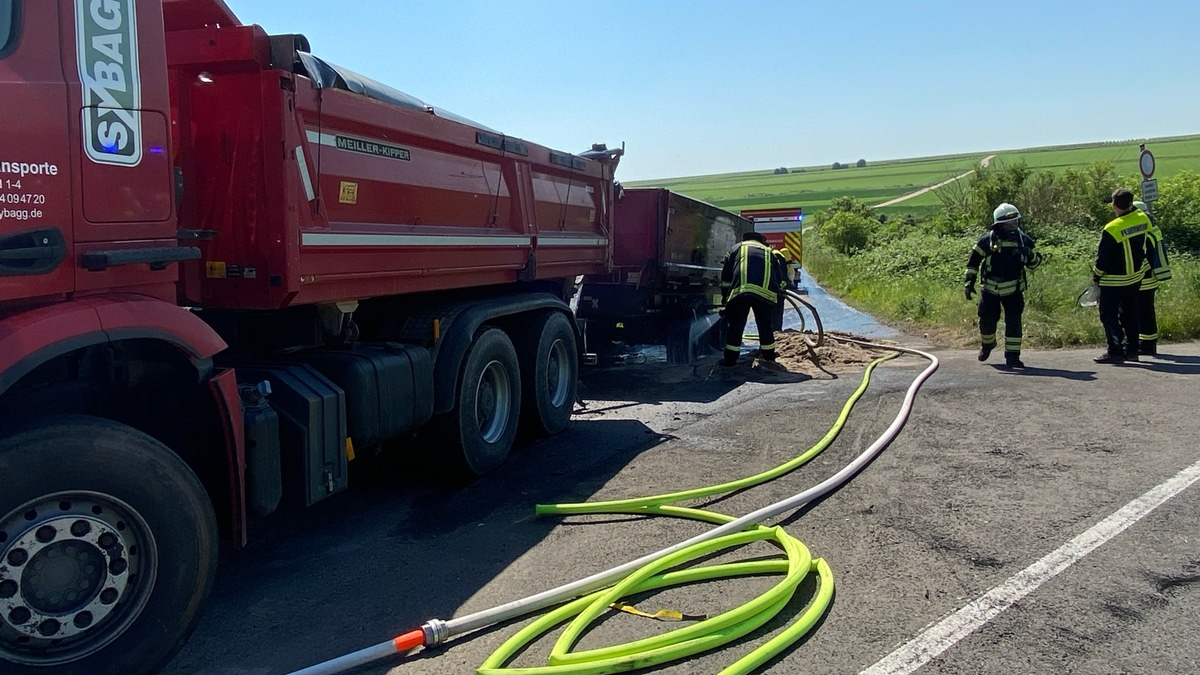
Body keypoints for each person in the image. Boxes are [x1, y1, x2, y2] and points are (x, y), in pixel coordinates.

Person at [963, 202, 1043, 369]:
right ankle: (988, 344)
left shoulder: (1025, 241)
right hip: (990, 289)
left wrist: (1029, 254)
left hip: (1013, 289)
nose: (1013, 226)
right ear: (999, 224)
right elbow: (973, 262)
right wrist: (969, 283)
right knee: (987, 320)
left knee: (1014, 322)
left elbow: (1034, 264)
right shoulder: (987, 240)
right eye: (1008, 223)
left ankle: (1013, 357)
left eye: (1015, 222)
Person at [1092, 188, 1151, 364]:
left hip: (1113, 282)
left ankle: (1115, 350)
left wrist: (1096, 276)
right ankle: (1132, 350)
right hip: (1136, 278)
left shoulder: (1112, 229)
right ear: (1131, 203)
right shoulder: (1142, 218)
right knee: (1131, 314)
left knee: (1108, 316)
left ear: (1113, 205)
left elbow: (1103, 259)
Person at [719, 231, 788, 367]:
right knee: (765, 327)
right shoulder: (769, 252)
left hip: (741, 293)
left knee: (736, 327)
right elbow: (779, 279)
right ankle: (769, 359)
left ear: (744, 239)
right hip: (764, 295)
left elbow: (726, 278)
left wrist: (725, 298)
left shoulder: (735, 249)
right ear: (760, 241)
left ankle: (730, 361)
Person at [1133, 200, 1172, 357]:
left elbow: (1142, 256)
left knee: (1142, 312)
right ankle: (1148, 344)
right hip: (1151, 277)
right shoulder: (1153, 229)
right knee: (1146, 311)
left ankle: (1146, 345)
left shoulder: (1144, 232)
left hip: (1143, 277)